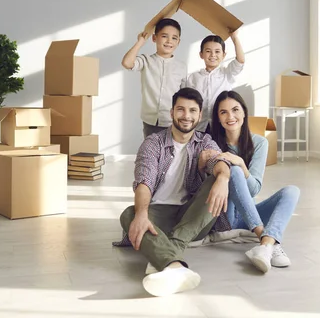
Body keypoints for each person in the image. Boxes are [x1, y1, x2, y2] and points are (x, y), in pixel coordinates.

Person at [114, 87, 233, 297]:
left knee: (217, 178)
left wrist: (223, 178)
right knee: (129, 215)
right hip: (158, 214)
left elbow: (219, 161)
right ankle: (175, 266)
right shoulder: (153, 143)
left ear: (199, 115)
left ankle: (166, 254)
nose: (186, 116)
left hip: (192, 217)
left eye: (192, 111)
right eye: (181, 109)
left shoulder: (204, 141)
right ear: (171, 113)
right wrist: (142, 215)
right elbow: (144, 182)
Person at [209, 90, 300, 273]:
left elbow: (254, 189)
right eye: (223, 112)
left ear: (244, 112)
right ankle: (265, 240)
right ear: (218, 118)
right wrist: (234, 168)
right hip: (224, 216)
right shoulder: (211, 143)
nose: (230, 116)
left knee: (292, 191)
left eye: (235, 110)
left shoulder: (259, 143)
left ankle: (266, 245)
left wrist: (242, 165)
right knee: (232, 170)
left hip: (247, 216)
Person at [122, 18, 188, 138]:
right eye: (164, 36)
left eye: (174, 38)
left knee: (170, 154)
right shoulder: (146, 60)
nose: (169, 41)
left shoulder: (181, 67)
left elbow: (184, 95)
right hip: (150, 121)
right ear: (154, 38)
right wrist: (140, 42)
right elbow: (127, 63)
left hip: (172, 121)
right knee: (151, 153)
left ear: (178, 41)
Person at [187, 31, 245, 134]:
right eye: (208, 51)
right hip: (200, 126)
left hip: (221, 125)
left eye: (217, 51)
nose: (213, 55)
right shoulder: (194, 77)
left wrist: (234, 38)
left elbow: (240, 61)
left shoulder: (227, 73)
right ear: (201, 54)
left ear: (224, 55)